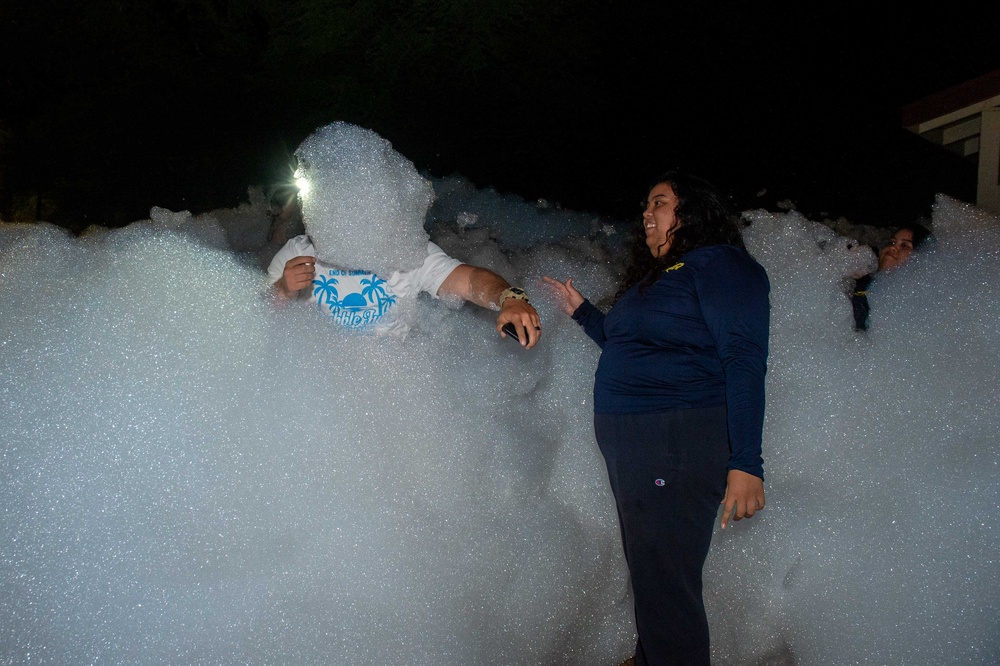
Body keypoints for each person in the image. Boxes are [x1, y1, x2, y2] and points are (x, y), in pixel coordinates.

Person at [543, 171, 770, 665]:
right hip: (638, 442)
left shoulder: (723, 265)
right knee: (651, 567)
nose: (647, 213)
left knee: (667, 576)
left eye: (660, 203)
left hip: (679, 436)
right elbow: (628, 343)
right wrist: (582, 311)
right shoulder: (663, 276)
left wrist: (746, 461)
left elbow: (744, 359)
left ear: (692, 212)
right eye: (645, 205)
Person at [268, 232, 542, 348]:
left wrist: (509, 298)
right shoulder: (299, 253)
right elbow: (259, 319)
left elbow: (470, 280)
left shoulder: (409, 252)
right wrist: (284, 289)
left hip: (392, 382)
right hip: (316, 379)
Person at [852, 223, 931, 331]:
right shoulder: (853, 282)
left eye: (904, 245)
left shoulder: (919, 302)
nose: (893, 247)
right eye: (892, 242)